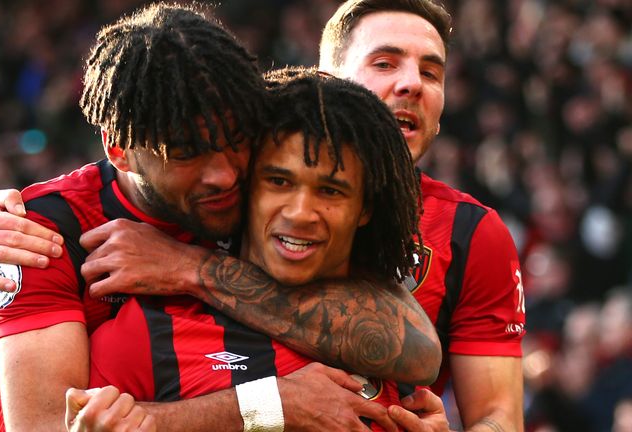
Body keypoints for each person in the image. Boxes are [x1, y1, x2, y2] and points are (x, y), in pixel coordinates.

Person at [0, 3, 441, 431]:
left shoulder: (268, 178)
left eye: (234, 140)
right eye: (187, 154)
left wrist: (190, 268)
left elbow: (417, 350)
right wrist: (271, 406)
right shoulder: (42, 233)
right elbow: (52, 426)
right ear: (120, 152)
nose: (224, 175)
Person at [77, 68, 425, 431]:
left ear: (365, 209)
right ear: (245, 187)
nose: (300, 213)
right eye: (278, 181)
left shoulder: (393, 350)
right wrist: (269, 408)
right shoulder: (141, 337)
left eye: (330, 191)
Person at [318, 1, 526, 430]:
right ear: (324, 83)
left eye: (431, 72)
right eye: (385, 63)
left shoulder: (473, 234)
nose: (412, 83)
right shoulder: (237, 193)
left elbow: (497, 417)